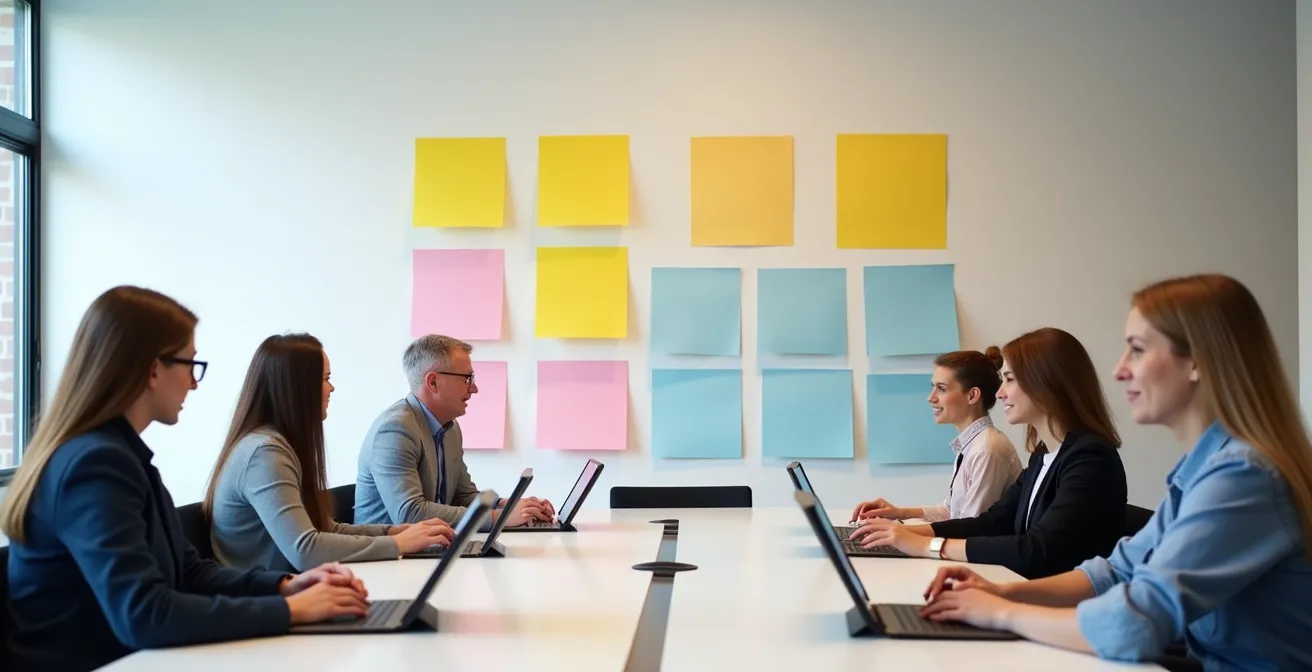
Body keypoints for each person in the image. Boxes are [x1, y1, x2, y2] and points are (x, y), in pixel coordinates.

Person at [917, 275, 1312, 672]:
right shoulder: (1201, 470)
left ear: (1197, 361)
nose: (1120, 370)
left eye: (1137, 351)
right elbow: (1116, 570)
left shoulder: (1244, 475)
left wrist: (1000, 612)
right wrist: (1003, 592)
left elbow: (1134, 626)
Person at [0, 287, 369, 672]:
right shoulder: (94, 465)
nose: (195, 383)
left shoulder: (123, 457)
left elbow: (190, 571)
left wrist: (283, 586)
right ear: (154, 368)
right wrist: (290, 610)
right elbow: (145, 614)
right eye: (191, 364)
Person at [850, 327, 1128, 579]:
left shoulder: (1090, 460)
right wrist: (902, 533)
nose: (1000, 393)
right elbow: (992, 523)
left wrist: (925, 544)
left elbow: (1038, 550)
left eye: (1008, 379)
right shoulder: (1044, 455)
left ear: (1046, 383)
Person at [205, 334, 454, 573]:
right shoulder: (264, 454)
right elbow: (306, 550)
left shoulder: (275, 445)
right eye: (325, 378)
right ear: (298, 387)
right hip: (265, 601)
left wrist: (394, 533)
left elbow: (323, 529)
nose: (332, 388)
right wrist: (398, 544)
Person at [354, 334, 553, 527]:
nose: (474, 388)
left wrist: (508, 506)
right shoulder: (395, 430)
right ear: (433, 382)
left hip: (429, 550)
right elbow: (411, 514)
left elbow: (463, 496)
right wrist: (498, 517)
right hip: (388, 557)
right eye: (467, 378)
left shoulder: (450, 427)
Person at [850, 348, 1021, 523]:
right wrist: (898, 513)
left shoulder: (986, 451)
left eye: (941, 389)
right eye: (933, 388)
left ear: (972, 395)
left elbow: (970, 528)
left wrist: (898, 533)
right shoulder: (973, 444)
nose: (931, 398)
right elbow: (951, 512)